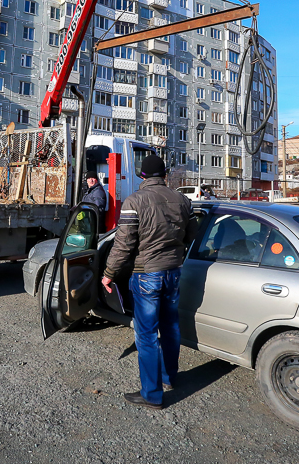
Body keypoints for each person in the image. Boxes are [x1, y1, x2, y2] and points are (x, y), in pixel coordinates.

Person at [101, 154, 196, 410]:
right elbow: (192, 234)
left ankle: (152, 395)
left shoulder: (135, 201)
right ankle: (168, 378)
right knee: (171, 327)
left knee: (146, 335)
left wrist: (109, 273)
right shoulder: (184, 200)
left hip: (146, 275)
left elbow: (124, 244)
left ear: (142, 175)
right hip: (174, 272)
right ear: (164, 174)